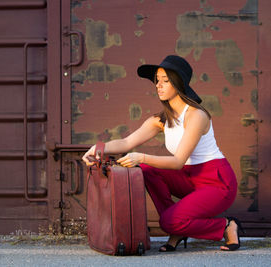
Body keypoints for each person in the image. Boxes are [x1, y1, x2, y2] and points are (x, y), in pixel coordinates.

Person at [82, 55, 243, 252]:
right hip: (189, 178)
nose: (159, 85)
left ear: (179, 83)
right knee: (147, 170)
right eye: (157, 80)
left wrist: (140, 156)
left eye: (165, 81)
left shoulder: (196, 115)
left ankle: (226, 226)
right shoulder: (161, 119)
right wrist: (97, 148)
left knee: (165, 217)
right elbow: (126, 142)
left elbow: (177, 161)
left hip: (217, 183)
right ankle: (177, 226)